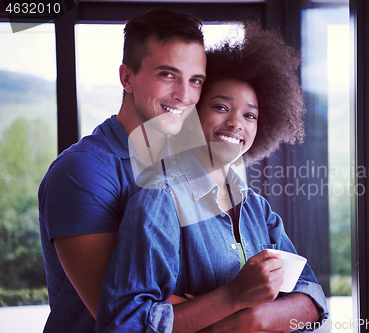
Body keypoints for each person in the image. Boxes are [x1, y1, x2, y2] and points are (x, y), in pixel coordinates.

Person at [95, 23, 328, 332]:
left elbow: (313, 297)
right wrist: (233, 297)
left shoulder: (256, 209)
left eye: (250, 115)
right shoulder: (159, 202)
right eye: (221, 107)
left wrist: (250, 320)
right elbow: (123, 323)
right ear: (192, 112)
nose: (236, 123)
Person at [38, 8, 206, 332]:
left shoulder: (192, 165)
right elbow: (124, 312)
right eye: (168, 75)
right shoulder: (81, 174)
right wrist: (241, 302)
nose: (185, 95)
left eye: (195, 80)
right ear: (127, 77)